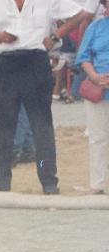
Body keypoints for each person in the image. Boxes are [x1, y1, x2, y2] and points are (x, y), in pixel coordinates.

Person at [0, 0, 84, 194]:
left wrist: (55, 36)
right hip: (7, 62)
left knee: (41, 125)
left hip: (35, 60)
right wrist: (0, 35)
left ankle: (49, 181)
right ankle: (0, 181)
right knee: (4, 125)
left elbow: (79, 14)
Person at [76, 0, 109, 193]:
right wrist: (95, 76)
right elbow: (83, 57)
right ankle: (97, 183)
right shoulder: (95, 26)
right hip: (98, 87)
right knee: (97, 137)